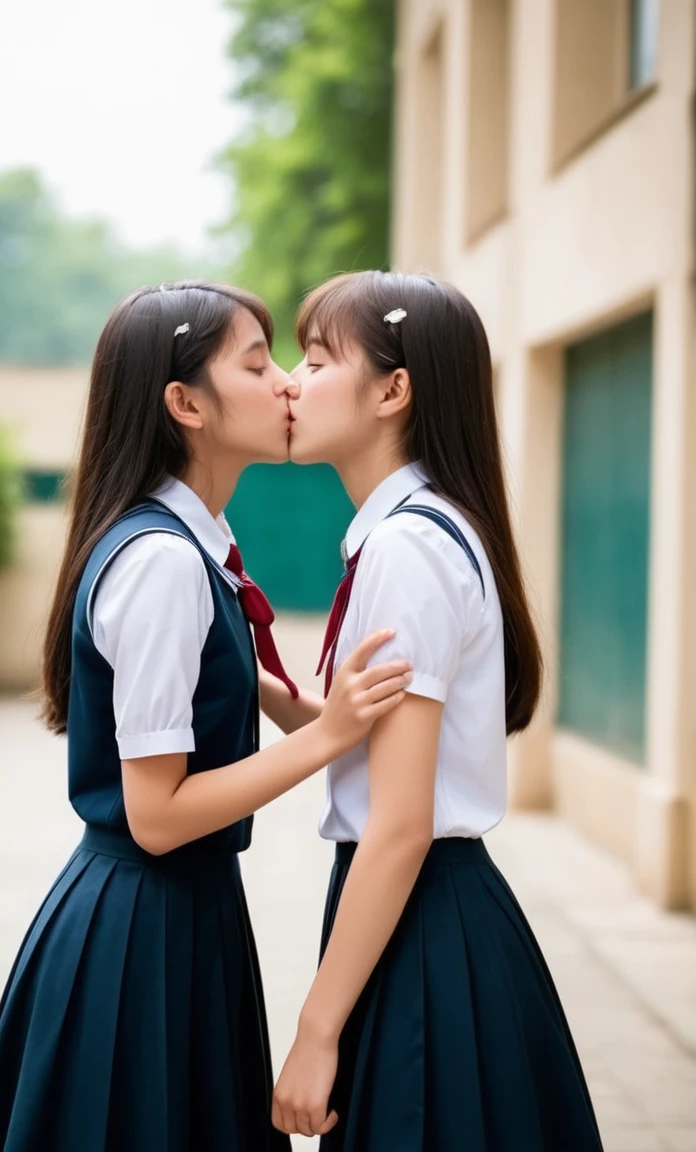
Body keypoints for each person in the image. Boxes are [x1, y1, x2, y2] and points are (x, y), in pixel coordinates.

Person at [0, 280, 413, 1152]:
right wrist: (330, 734)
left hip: (178, 916)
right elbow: (157, 816)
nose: (287, 382)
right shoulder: (163, 563)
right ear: (184, 404)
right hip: (144, 927)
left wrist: (344, 719)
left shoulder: (190, 547)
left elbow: (251, 695)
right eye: (257, 363)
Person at [271, 270, 603, 1151]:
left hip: (416, 919)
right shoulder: (423, 529)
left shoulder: (407, 548)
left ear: (393, 389)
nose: (290, 382)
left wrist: (315, 1029)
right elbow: (370, 746)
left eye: (313, 358)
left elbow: (401, 821)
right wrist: (267, 690)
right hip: (431, 913)